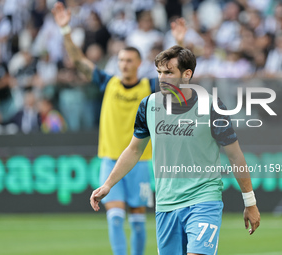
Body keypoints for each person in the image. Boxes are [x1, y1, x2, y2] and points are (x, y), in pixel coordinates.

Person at [90, 45, 261, 255]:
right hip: (166, 204)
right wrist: (108, 184)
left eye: (169, 72)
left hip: (204, 200)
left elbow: (235, 156)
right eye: (160, 72)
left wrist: (250, 201)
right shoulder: (149, 105)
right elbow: (134, 150)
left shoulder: (211, 106)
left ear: (187, 74)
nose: (162, 78)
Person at [52, 2, 186, 255]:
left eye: (129, 60)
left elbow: (177, 79)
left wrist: (178, 44)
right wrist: (65, 29)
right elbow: (79, 61)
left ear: (138, 63)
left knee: (137, 220)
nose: (123, 64)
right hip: (110, 159)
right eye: (121, 60)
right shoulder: (107, 82)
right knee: (114, 217)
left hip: (142, 162)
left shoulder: (149, 86)